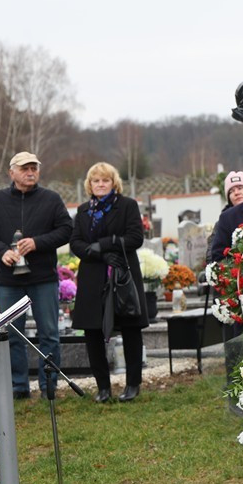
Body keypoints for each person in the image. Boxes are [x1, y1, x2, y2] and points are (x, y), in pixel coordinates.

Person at [0, 151, 73, 399]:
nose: (30, 173)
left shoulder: (51, 199)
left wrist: (38, 242)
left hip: (43, 278)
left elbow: (66, 229)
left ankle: (49, 385)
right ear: (12, 173)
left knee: (49, 333)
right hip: (9, 280)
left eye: (34, 168)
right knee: (12, 335)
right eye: (25, 169)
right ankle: (18, 387)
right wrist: (1, 252)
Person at [69, 163, 149, 403]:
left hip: (122, 273)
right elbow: (76, 243)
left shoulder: (127, 206)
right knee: (92, 331)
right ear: (89, 184)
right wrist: (98, 254)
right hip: (93, 275)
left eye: (105, 180)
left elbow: (135, 238)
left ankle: (132, 384)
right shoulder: (84, 211)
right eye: (96, 181)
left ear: (114, 183)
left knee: (130, 328)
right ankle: (103, 387)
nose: (101, 184)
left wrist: (106, 244)